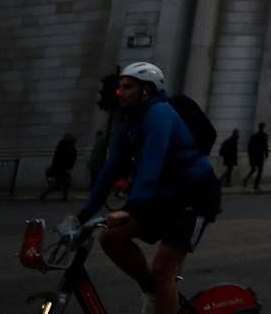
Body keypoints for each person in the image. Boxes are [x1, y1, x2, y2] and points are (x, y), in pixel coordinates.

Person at [74, 62, 220, 314]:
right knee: (111, 238)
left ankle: (160, 290)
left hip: (194, 197)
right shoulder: (128, 123)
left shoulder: (160, 114)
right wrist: (83, 215)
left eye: (128, 87)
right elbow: (111, 168)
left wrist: (131, 208)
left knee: (164, 269)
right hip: (165, 197)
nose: (121, 92)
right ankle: (151, 290)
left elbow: (152, 164)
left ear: (147, 90)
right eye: (120, 87)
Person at [44, 132, 78, 201]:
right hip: (62, 168)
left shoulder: (63, 145)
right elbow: (67, 158)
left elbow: (58, 157)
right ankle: (43, 195)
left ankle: (65, 197)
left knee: (65, 183)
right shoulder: (67, 147)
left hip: (60, 167)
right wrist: (68, 167)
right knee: (60, 184)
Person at [243, 123, 268, 191]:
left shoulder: (254, 136)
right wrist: (266, 154)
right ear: (263, 127)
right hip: (259, 155)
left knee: (253, 169)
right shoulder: (264, 136)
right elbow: (265, 146)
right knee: (260, 171)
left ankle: (246, 179)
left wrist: (250, 155)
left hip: (253, 156)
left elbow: (249, 146)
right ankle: (256, 185)